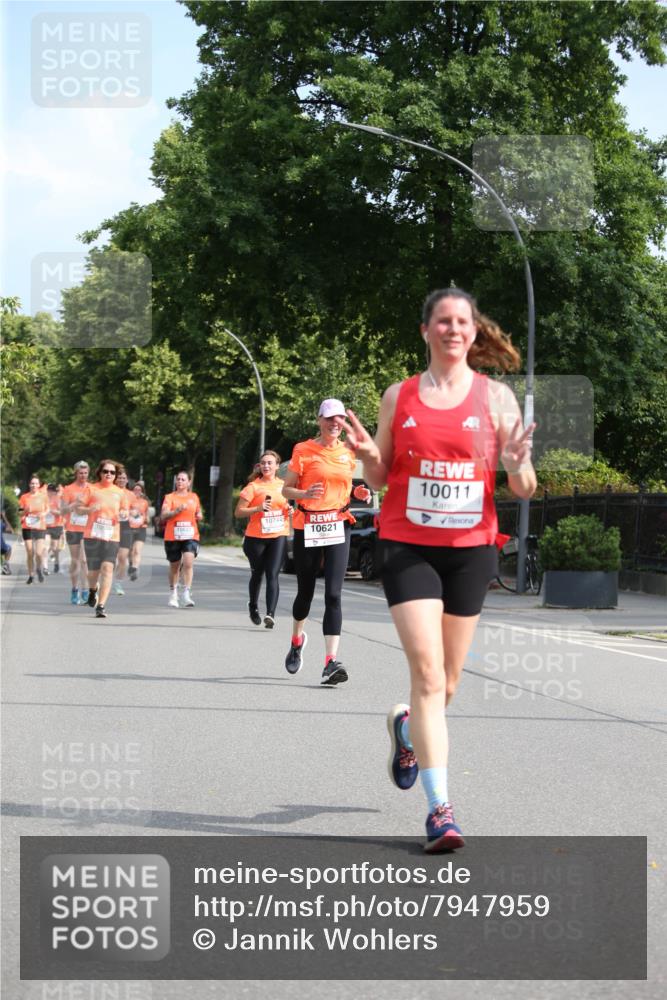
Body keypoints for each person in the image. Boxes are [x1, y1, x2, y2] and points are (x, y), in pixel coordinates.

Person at [338, 288, 536, 852]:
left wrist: (519, 462)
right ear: (425, 330)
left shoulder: (496, 397)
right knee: (426, 676)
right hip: (408, 545)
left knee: (446, 684)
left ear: (474, 333)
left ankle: (405, 730)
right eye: (443, 321)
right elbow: (377, 479)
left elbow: (523, 488)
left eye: (463, 322)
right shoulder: (398, 396)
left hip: (471, 549)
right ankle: (440, 812)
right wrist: (367, 457)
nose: (453, 329)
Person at [281, 399, 372, 684]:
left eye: (340, 419)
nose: (335, 424)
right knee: (305, 592)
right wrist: (305, 493)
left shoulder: (348, 453)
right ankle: (297, 640)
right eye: (330, 418)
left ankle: (331, 661)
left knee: (334, 594)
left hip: (338, 524)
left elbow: (345, 488)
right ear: (320, 420)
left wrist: (358, 492)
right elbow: (287, 490)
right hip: (308, 524)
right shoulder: (303, 450)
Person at [235, 450, 291, 628]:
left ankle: (270, 614)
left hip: (278, 534)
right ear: (259, 466)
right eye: (263, 463)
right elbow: (238, 512)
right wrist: (257, 508)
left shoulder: (284, 486)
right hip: (256, 537)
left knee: (273, 574)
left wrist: (289, 510)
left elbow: (287, 506)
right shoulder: (253, 487)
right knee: (257, 574)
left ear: (276, 466)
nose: (266, 466)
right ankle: (253, 605)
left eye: (270, 463)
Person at [75, 459, 127, 619]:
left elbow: (125, 510)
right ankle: (92, 590)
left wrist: (124, 514)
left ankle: (101, 605)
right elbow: (78, 509)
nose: (109, 474)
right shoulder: (91, 489)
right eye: (106, 471)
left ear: (116, 475)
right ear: (100, 473)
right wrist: (90, 509)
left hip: (112, 535)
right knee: (93, 572)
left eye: (112, 472)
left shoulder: (120, 492)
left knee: (107, 568)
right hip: (93, 534)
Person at [160, 471, 202, 608]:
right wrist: (177, 510)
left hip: (190, 535)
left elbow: (198, 512)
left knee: (188, 561)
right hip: (173, 535)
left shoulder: (194, 497)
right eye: (178, 479)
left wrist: (199, 515)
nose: (180, 482)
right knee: (175, 565)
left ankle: (186, 593)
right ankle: (173, 593)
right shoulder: (169, 497)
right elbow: (164, 515)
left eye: (183, 479)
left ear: (189, 482)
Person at [60, 461, 91, 605]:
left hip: (87, 528)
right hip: (72, 528)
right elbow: (63, 510)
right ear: (76, 473)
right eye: (80, 473)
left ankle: (85, 590)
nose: (83, 475)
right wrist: (75, 504)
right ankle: (74, 589)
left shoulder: (92, 488)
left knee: (85, 560)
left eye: (85, 473)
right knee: (75, 561)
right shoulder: (68, 489)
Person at [18, 475, 48, 583]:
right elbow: (19, 513)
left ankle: (38, 568)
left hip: (40, 527)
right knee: (30, 552)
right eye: (32, 483)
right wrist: (25, 511)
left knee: (39, 553)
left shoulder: (43, 496)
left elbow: (47, 509)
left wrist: (43, 514)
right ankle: (31, 575)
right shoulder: (24, 497)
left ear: (39, 485)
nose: (34, 485)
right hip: (27, 527)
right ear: (29, 485)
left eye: (36, 483)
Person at [113, 466, 135, 596]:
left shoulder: (131, 495)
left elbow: (136, 511)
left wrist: (133, 513)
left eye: (124, 478)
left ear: (127, 480)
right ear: (116, 480)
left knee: (122, 558)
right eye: (119, 477)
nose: (121, 479)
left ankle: (118, 582)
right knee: (109, 557)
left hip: (126, 527)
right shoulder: (111, 491)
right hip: (112, 526)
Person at [128, 481, 150, 581]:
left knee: (137, 550)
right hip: (129, 527)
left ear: (142, 492)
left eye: (139, 490)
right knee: (130, 550)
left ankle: (135, 569)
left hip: (141, 528)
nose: (137, 491)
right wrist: (130, 513)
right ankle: (131, 564)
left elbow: (148, 516)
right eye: (135, 490)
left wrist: (146, 519)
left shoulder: (145, 502)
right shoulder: (128, 501)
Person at [44, 484, 64, 574]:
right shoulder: (44, 500)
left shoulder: (58, 500)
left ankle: (56, 563)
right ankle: (45, 566)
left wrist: (52, 511)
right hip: (45, 526)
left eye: (54, 491)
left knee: (54, 547)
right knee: (46, 546)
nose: (52, 493)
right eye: (50, 491)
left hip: (57, 525)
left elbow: (61, 512)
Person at [1, 499, 14, 575]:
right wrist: (4, 517)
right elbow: (11, 531)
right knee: (9, 548)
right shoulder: (1, 523)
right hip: (1, 547)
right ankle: (5, 565)